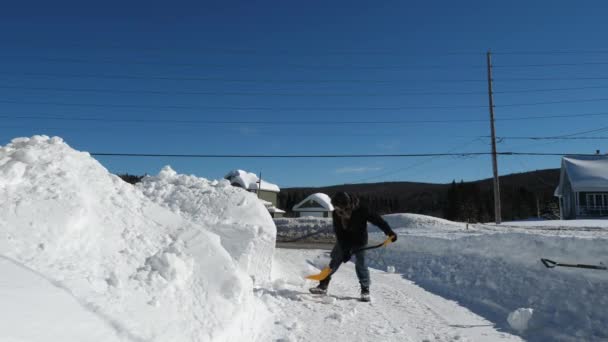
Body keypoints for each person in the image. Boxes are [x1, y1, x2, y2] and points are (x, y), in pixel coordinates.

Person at [309, 191, 397, 301]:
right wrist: (345, 251)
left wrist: (389, 232)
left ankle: (365, 290)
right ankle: (323, 285)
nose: (340, 211)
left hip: (359, 240)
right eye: (337, 208)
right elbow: (339, 232)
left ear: (349, 204)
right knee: (333, 261)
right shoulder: (336, 213)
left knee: (361, 264)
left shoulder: (362, 209)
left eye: (342, 208)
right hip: (344, 240)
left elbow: (378, 220)